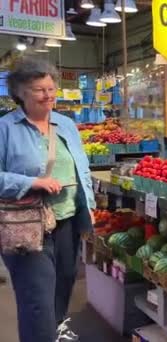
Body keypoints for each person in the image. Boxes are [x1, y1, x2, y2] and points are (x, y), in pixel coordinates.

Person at [0, 58, 96, 342]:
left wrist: (88, 206)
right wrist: (32, 183)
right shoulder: (6, 128)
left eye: (51, 88)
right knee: (37, 300)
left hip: (66, 221)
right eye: (39, 89)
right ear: (20, 93)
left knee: (62, 287)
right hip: (27, 225)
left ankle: (55, 330)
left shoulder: (66, 124)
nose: (48, 95)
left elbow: (82, 167)